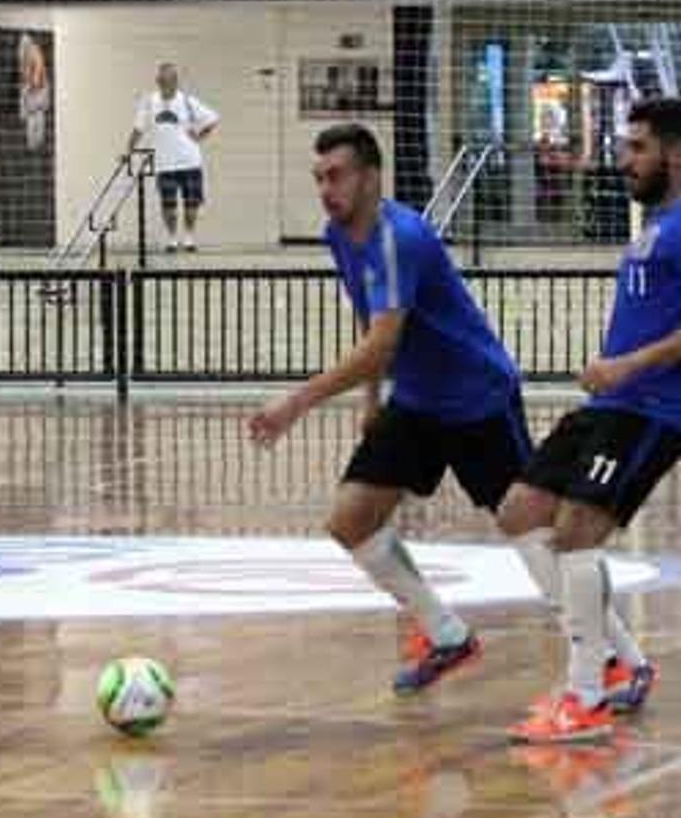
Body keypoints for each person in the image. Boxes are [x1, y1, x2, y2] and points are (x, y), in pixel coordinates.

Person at [247, 123, 651, 699]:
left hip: (475, 397)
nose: (325, 189)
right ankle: (447, 634)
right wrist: (371, 399)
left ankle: (621, 656)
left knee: (528, 524)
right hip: (415, 399)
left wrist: (296, 402)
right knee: (352, 518)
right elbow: (371, 321)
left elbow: (382, 342)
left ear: (370, 176)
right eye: (318, 178)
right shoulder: (339, 237)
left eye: (335, 176)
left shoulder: (400, 237)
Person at [497, 99, 681, 745]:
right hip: (614, 403)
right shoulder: (657, 222)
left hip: (656, 408)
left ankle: (585, 696)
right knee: (520, 510)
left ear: (678, 154)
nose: (623, 159)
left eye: (636, 147)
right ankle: (621, 660)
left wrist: (630, 364)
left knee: (577, 531)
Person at [127, 62, 219, 253]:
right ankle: (172, 237)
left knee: (191, 202)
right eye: (162, 79)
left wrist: (200, 136)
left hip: (190, 160)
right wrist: (128, 150)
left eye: (170, 79)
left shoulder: (187, 101)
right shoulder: (150, 102)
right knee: (168, 204)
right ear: (158, 81)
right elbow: (138, 128)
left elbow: (212, 118)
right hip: (164, 163)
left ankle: (189, 236)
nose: (166, 82)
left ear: (176, 81)